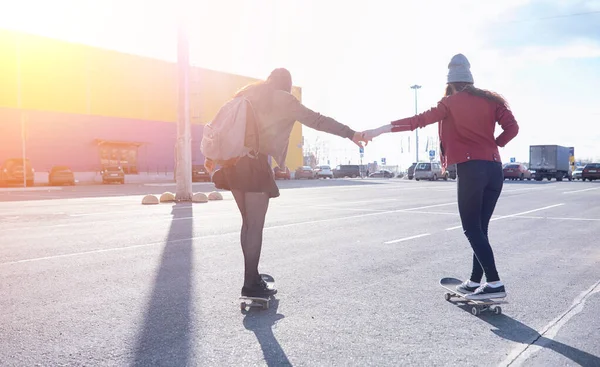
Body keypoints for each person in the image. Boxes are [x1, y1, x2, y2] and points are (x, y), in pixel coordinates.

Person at [362, 54, 519, 299]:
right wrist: (493, 144)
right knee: (481, 229)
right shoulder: (490, 101)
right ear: (470, 80)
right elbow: (513, 128)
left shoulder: (449, 103)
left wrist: (379, 130)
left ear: (451, 83)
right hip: (494, 169)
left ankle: (495, 283)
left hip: (472, 169)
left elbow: (417, 121)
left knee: (471, 228)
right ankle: (475, 281)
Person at [204, 68, 366, 298]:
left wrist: (211, 158)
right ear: (287, 85)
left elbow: (222, 126)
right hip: (253, 164)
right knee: (255, 226)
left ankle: (252, 277)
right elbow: (317, 120)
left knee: (247, 224)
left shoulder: (248, 93)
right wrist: (350, 133)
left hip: (232, 165)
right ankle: (250, 284)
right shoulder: (282, 99)